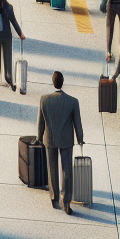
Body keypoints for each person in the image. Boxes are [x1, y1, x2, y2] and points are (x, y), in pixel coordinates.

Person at [37, 71, 85, 213]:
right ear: (63, 82)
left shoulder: (44, 99)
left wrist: (39, 137)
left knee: (52, 170)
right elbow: (78, 123)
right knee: (67, 170)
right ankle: (67, 202)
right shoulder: (72, 101)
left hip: (50, 139)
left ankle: (54, 197)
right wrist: (80, 139)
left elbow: (41, 122)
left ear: (53, 83)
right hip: (66, 139)